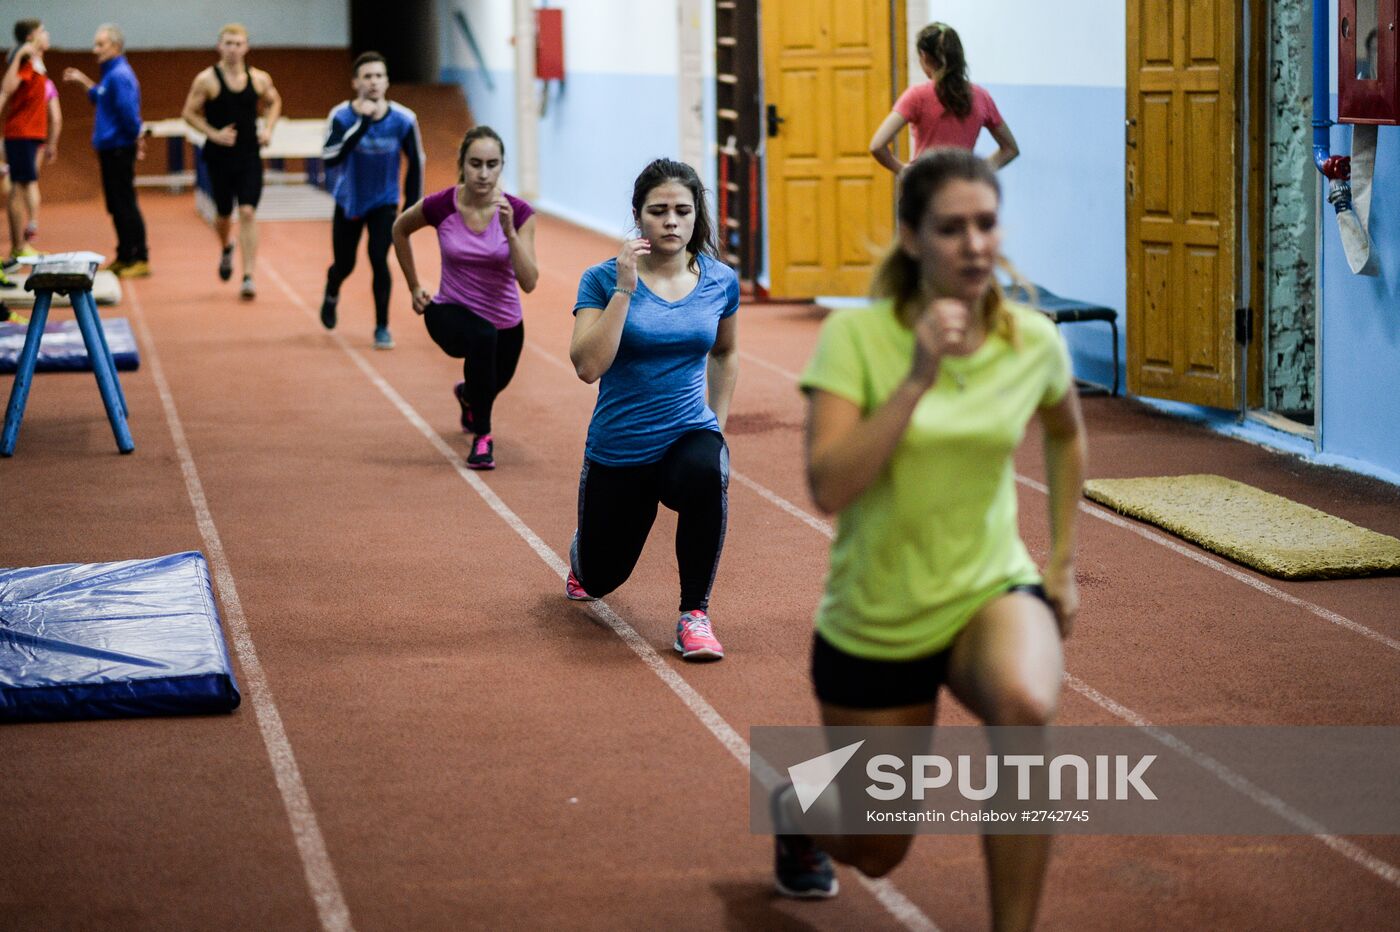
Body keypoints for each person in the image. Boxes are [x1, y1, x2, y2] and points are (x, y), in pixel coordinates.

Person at [771, 150, 1086, 931]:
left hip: (988, 588)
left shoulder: (1032, 342)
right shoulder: (858, 341)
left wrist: (1062, 562)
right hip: (876, 615)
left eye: (985, 224)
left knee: (1024, 704)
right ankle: (800, 807)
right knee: (876, 850)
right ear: (913, 239)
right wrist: (916, 376)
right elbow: (828, 486)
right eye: (951, 228)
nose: (974, 244)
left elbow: (1067, 434)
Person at [565, 158, 740, 662]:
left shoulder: (719, 281)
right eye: (658, 210)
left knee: (708, 473)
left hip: (688, 433)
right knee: (601, 577)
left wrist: (717, 428)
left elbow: (725, 353)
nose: (670, 221)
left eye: (682, 211)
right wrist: (625, 289)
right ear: (638, 216)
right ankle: (583, 555)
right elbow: (588, 366)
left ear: (696, 216)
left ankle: (695, 616)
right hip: (620, 447)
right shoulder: (600, 280)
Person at [392, 126, 537, 469]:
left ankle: (468, 395)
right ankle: (483, 439)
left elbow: (529, 282)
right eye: (475, 164)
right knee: (481, 339)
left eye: (492, 164)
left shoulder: (519, 212)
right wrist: (414, 285)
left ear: (502, 166)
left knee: (488, 384)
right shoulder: (443, 204)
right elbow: (399, 229)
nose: (483, 173)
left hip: (507, 323)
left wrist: (510, 234)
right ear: (462, 164)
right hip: (449, 313)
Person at [320, 51, 424, 350]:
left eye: (379, 76)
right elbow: (330, 157)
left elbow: (416, 162)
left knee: (379, 259)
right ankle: (332, 290)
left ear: (387, 81)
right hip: (349, 201)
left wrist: (411, 210)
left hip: (384, 202)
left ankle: (382, 326)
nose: (374, 82)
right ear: (355, 82)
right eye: (367, 76)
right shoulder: (341, 116)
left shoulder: (404, 120)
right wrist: (363, 124)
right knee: (345, 264)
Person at [181, 23, 281, 299]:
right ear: (219, 46)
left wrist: (269, 129)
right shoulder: (207, 80)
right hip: (219, 157)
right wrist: (213, 133)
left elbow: (274, 101)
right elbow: (189, 113)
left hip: (249, 155)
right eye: (228, 43)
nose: (233, 49)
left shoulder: (259, 79)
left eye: (238, 44)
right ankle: (226, 247)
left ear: (246, 47)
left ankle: (248, 276)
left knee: (247, 211)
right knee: (224, 214)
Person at [869, 22, 1018, 176]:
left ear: (924, 56)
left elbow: (877, 145)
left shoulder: (917, 96)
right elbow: (1010, 149)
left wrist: (903, 170)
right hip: (961, 189)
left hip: (926, 188)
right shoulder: (981, 96)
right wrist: (977, 171)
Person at [63, 23, 149, 278]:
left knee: (125, 204)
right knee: (116, 205)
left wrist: (137, 138)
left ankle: (140, 256)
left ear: (116, 46)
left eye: (100, 44)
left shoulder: (120, 75)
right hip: (111, 149)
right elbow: (99, 96)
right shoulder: (110, 74)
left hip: (119, 150)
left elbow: (128, 113)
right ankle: (125, 255)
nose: (95, 49)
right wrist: (81, 81)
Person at [1, 19, 59, 266]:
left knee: (21, 184)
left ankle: (22, 244)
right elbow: (7, 89)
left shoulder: (37, 62)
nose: (47, 34)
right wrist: (19, 56)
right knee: (19, 186)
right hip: (20, 132)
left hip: (31, 134)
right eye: (43, 31)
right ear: (32, 36)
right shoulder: (25, 60)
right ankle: (19, 246)